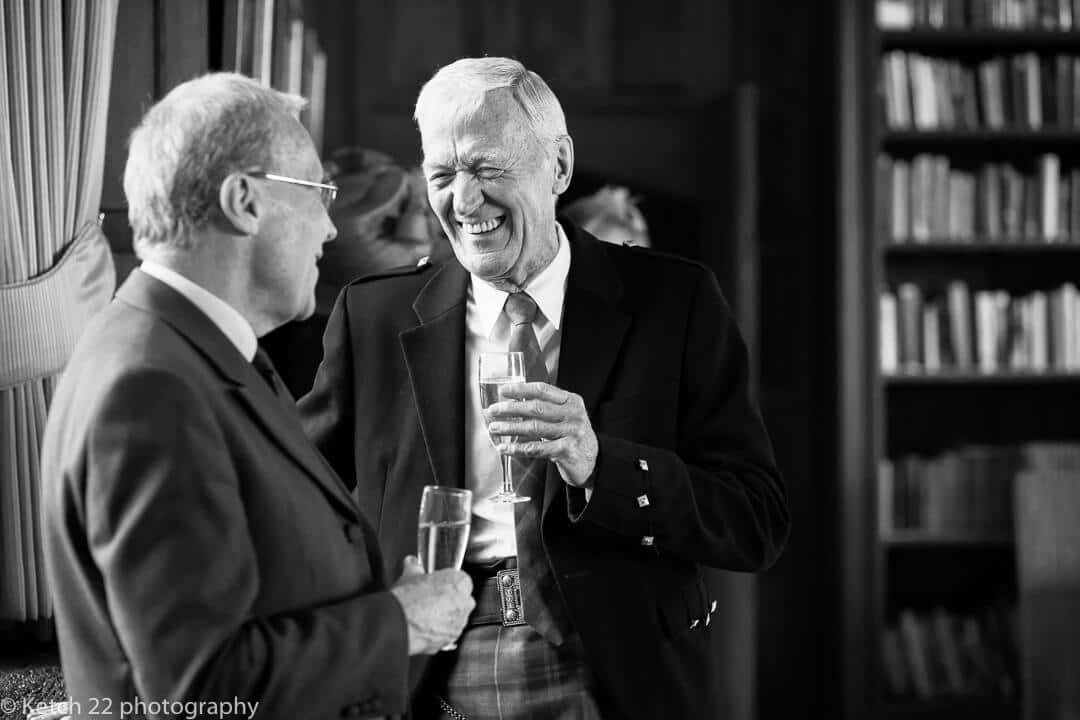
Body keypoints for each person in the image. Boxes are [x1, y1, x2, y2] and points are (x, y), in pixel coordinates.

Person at [301, 57, 789, 719]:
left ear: (558, 166)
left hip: (616, 674)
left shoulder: (674, 302)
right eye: (441, 176)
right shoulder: (374, 316)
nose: (462, 202)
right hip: (427, 673)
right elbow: (297, 497)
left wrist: (599, 463)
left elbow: (755, 521)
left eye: (487, 168)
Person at [39, 73, 474, 720]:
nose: (330, 228)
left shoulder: (193, 352)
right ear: (244, 201)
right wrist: (399, 623)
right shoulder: (152, 391)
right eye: (319, 192)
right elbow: (202, 691)